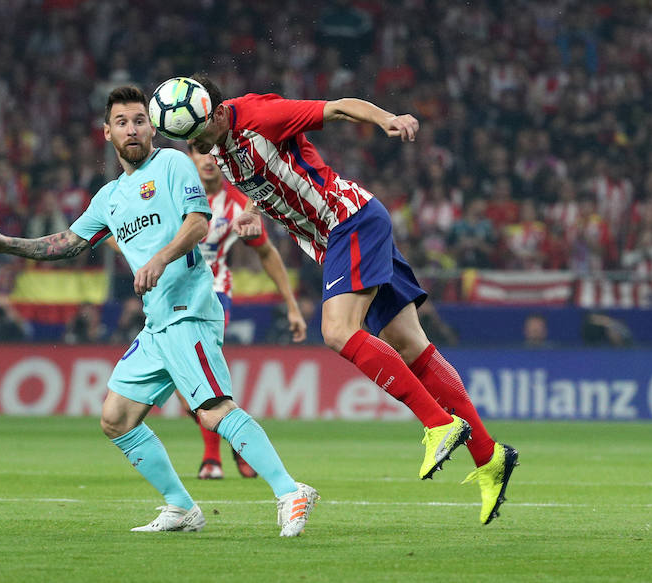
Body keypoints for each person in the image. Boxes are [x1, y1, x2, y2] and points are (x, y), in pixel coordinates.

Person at [0, 86, 318, 536]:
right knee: (115, 419)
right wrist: (6, 244)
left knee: (213, 410)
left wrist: (160, 259)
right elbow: (66, 244)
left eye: (138, 120)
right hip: (158, 322)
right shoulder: (110, 197)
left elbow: (198, 222)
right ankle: (181, 508)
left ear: (152, 126)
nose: (131, 129)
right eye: (122, 122)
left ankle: (291, 491)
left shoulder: (173, 164)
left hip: (188, 309)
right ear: (107, 133)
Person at [184, 75, 518, 525]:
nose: (198, 146)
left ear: (217, 112)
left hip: (348, 221)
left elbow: (338, 106)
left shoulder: (260, 115)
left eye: (199, 133)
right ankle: (488, 455)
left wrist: (387, 119)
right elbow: (268, 180)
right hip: (338, 236)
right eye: (189, 140)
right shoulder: (218, 146)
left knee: (338, 331)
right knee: (410, 344)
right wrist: (249, 210)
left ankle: (438, 424)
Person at [186, 143, 308, 480]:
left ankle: (211, 460)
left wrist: (292, 306)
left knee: (199, 378)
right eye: (200, 153)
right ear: (190, 155)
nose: (208, 161)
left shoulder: (239, 204)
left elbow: (267, 253)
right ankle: (240, 445)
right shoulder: (173, 192)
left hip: (214, 295)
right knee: (189, 390)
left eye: (213, 154)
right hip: (172, 297)